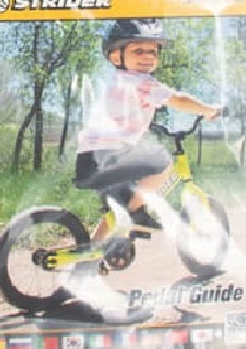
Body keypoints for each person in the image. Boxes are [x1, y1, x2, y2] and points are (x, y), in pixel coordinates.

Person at [74, 18, 221, 240]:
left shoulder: (118, 82)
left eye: (153, 51)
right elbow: (178, 100)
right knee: (162, 164)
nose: (148, 57)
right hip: (110, 156)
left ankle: (92, 250)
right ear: (116, 57)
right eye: (138, 50)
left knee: (121, 207)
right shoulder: (141, 82)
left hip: (88, 161)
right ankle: (136, 215)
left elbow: (124, 114)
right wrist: (209, 110)